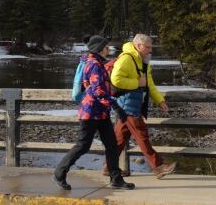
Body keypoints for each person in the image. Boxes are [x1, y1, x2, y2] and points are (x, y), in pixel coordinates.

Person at [53, 35, 135, 191]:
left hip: (101, 112)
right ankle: (59, 173)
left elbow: (101, 88)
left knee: (112, 145)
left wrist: (115, 94)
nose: (109, 49)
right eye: (106, 47)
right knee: (83, 146)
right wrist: (116, 106)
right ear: (99, 49)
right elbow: (97, 91)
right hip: (90, 112)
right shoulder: (94, 64)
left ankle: (116, 179)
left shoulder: (97, 63)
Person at [103, 33, 177, 179]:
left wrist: (160, 101)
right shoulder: (126, 58)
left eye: (151, 47)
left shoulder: (143, 60)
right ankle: (159, 166)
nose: (150, 50)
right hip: (127, 106)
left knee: (119, 139)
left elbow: (149, 84)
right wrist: (137, 83)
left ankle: (109, 167)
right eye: (148, 47)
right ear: (138, 46)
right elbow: (116, 80)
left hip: (132, 105)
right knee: (142, 135)